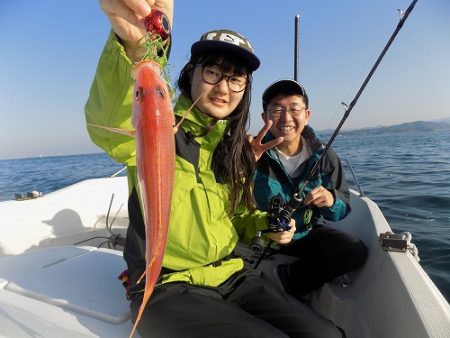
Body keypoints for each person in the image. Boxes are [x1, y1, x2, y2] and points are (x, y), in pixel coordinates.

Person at [85, 1, 345, 337]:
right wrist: (137, 52)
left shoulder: (233, 148)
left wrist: (269, 223)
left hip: (232, 273)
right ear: (191, 72)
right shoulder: (160, 125)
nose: (223, 87)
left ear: (245, 90)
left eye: (236, 79)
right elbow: (109, 124)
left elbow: (234, 219)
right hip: (167, 284)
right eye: (212, 72)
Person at [251, 79, 368, 299]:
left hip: (304, 234)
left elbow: (343, 208)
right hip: (258, 235)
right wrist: (243, 163)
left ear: (307, 115)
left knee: (354, 251)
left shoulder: (326, 157)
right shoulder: (250, 152)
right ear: (264, 117)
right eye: (276, 109)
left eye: (294, 109)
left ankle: (288, 279)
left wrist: (331, 201)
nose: (286, 118)